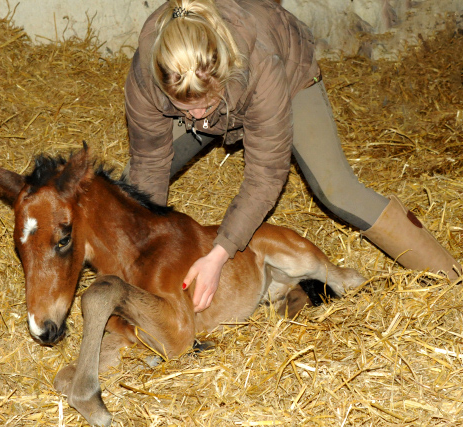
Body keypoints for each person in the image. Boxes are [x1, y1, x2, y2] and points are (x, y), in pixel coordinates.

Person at [124, 0, 461, 312]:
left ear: (223, 73)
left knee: (336, 190)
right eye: (186, 108)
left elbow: (265, 175)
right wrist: (141, 251)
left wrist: (219, 253)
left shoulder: (261, 66)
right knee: (131, 191)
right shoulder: (146, 76)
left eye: (204, 105)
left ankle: (450, 277)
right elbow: (148, 163)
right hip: (224, 94)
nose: (196, 117)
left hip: (289, 76)